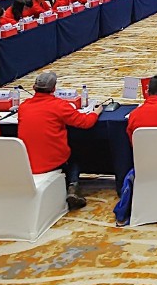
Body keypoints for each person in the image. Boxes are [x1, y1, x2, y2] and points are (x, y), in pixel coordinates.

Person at [17, 71, 102, 210]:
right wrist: (96, 112)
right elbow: (85, 122)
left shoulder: (23, 106)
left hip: (27, 162)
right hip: (52, 161)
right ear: (54, 88)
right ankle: (73, 186)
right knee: (75, 155)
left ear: (34, 88)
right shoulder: (59, 105)